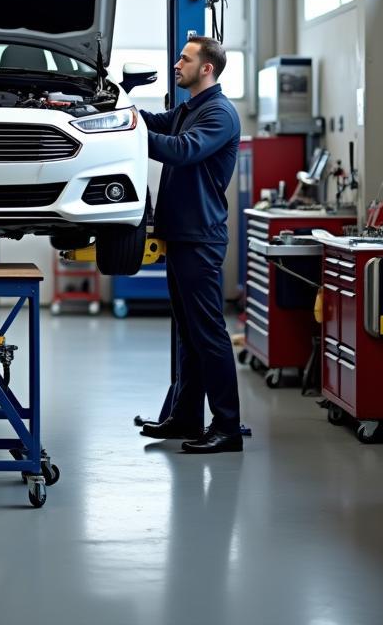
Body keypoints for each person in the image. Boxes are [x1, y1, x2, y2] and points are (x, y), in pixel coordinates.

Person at [137, 36, 243, 453]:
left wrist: (127, 135)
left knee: (210, 333)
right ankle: (184, 417)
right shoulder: (190, 108)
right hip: (182, 235)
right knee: (187, 332)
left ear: (207, 69)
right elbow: (154, 123)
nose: (177, 63)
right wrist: (114, 110)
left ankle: (228, 428)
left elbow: (182, 151)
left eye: (185, 58)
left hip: (201, 236)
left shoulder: (219, 114)